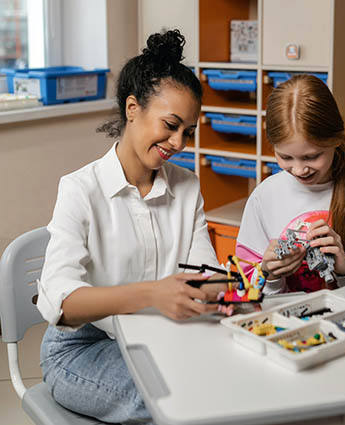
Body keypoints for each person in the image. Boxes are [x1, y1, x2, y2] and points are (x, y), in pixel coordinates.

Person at [37, 30, 227, 424]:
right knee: (176, 402)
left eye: (188, 132)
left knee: (227, 381)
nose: (178, 142)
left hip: (159, 336)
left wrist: (228, 287)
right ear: (132, 108)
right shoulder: (80, 189)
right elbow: (64, 305)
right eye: (170, 125)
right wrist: (154, 294)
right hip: (82, 350)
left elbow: (205, 276)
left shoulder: (187, 186)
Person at [236, 74, 345, 294]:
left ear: (336, 140)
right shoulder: (265, 196)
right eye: (286, 157)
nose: (300, 169)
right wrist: (268, 275)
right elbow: (241, 287)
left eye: (311, 157)